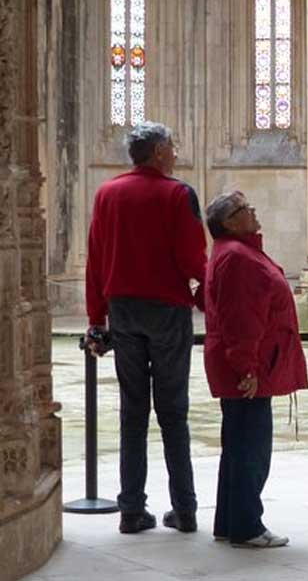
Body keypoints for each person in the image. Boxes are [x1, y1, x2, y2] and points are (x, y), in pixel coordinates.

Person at [84, 121, 206, 534]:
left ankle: (131, 510)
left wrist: (95, 319)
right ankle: (185, 509)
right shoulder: (177, 194)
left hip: (123, 311)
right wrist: (207, 300)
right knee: (174, 412)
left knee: (132, 413)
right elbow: (193, 258)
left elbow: (96, 260)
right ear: (157, 152)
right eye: (170, 146)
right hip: (167, 311)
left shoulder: (107, 194)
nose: (174, 152)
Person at [203, 191, 308, 548]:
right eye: (244, 209)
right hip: (249, 369)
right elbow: (242, 319)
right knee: (251, 448)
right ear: (230, 222)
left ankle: (230, 521)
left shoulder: (236, 253)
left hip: (247, 363)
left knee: (238, 445)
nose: (253, 211)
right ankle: (247, 526)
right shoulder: (238, 257)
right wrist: (247, 368)